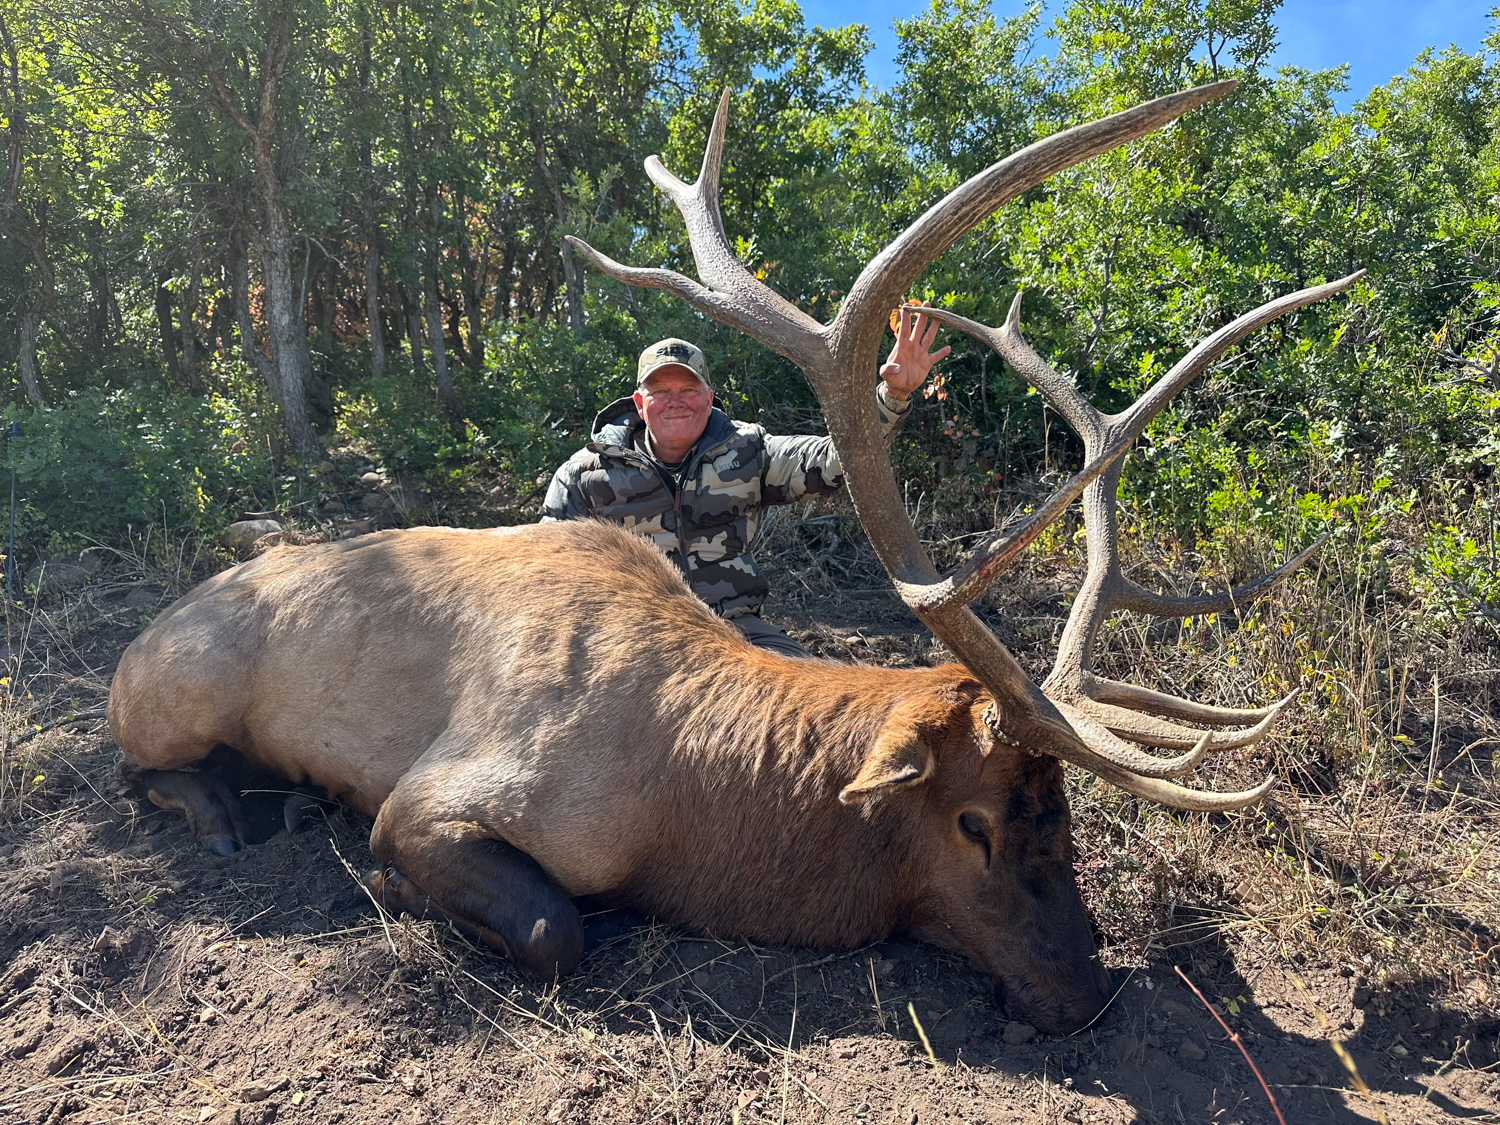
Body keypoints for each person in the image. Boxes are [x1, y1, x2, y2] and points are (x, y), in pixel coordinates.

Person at [540, 306, 949, 656]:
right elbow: (546, 571)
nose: (675, 400)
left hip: (735, 631)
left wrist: (892, 396)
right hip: (630, 639)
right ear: (639, 402)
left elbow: (835, 460)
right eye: (660, 390)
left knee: (810, 700)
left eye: (688, 389)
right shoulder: (585, 474)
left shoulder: (748, 450)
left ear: (709, 397)